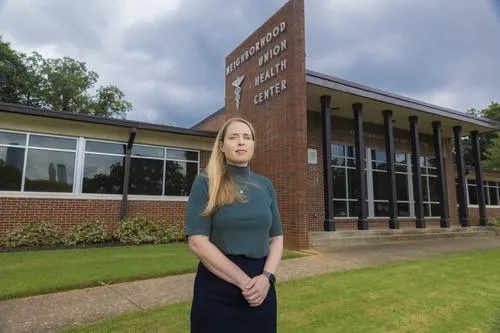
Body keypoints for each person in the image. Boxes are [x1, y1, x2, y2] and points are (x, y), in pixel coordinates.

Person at [184, 116, 284, 333]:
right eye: (233, 137)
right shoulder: (206, 182)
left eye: (247, 137)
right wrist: (244, 282)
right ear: (221, 145)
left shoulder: (265, 185)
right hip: (218, 286)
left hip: (262, 286)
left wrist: (266, 278)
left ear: (253, 145)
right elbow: (197, 242)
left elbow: (277, 238)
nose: (241, 142)